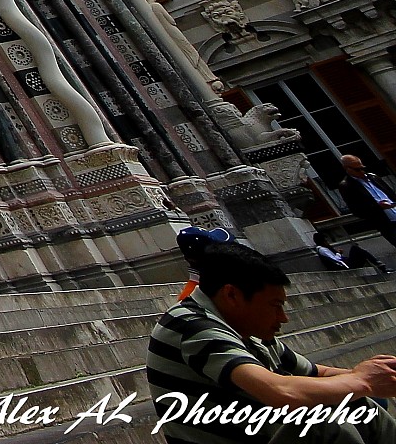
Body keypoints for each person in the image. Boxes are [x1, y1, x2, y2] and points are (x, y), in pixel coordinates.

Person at [148, 238, 396, 443]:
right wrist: (362, 380)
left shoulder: (247, 331)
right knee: (321, 422)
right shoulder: (190, 324)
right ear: (232, 294)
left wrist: (380, 375)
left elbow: (316, 373)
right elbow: (281, 392)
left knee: (360, 405)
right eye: (275, 306)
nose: (283, 318)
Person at [343, 154, 396, 252]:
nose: (362, 172)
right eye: (357, 170)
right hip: (387, 223)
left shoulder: (373, 177)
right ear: (348, 169)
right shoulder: (347, 186)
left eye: (362, 168)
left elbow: (390, 193)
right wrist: (378, 207)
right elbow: (357, 210)